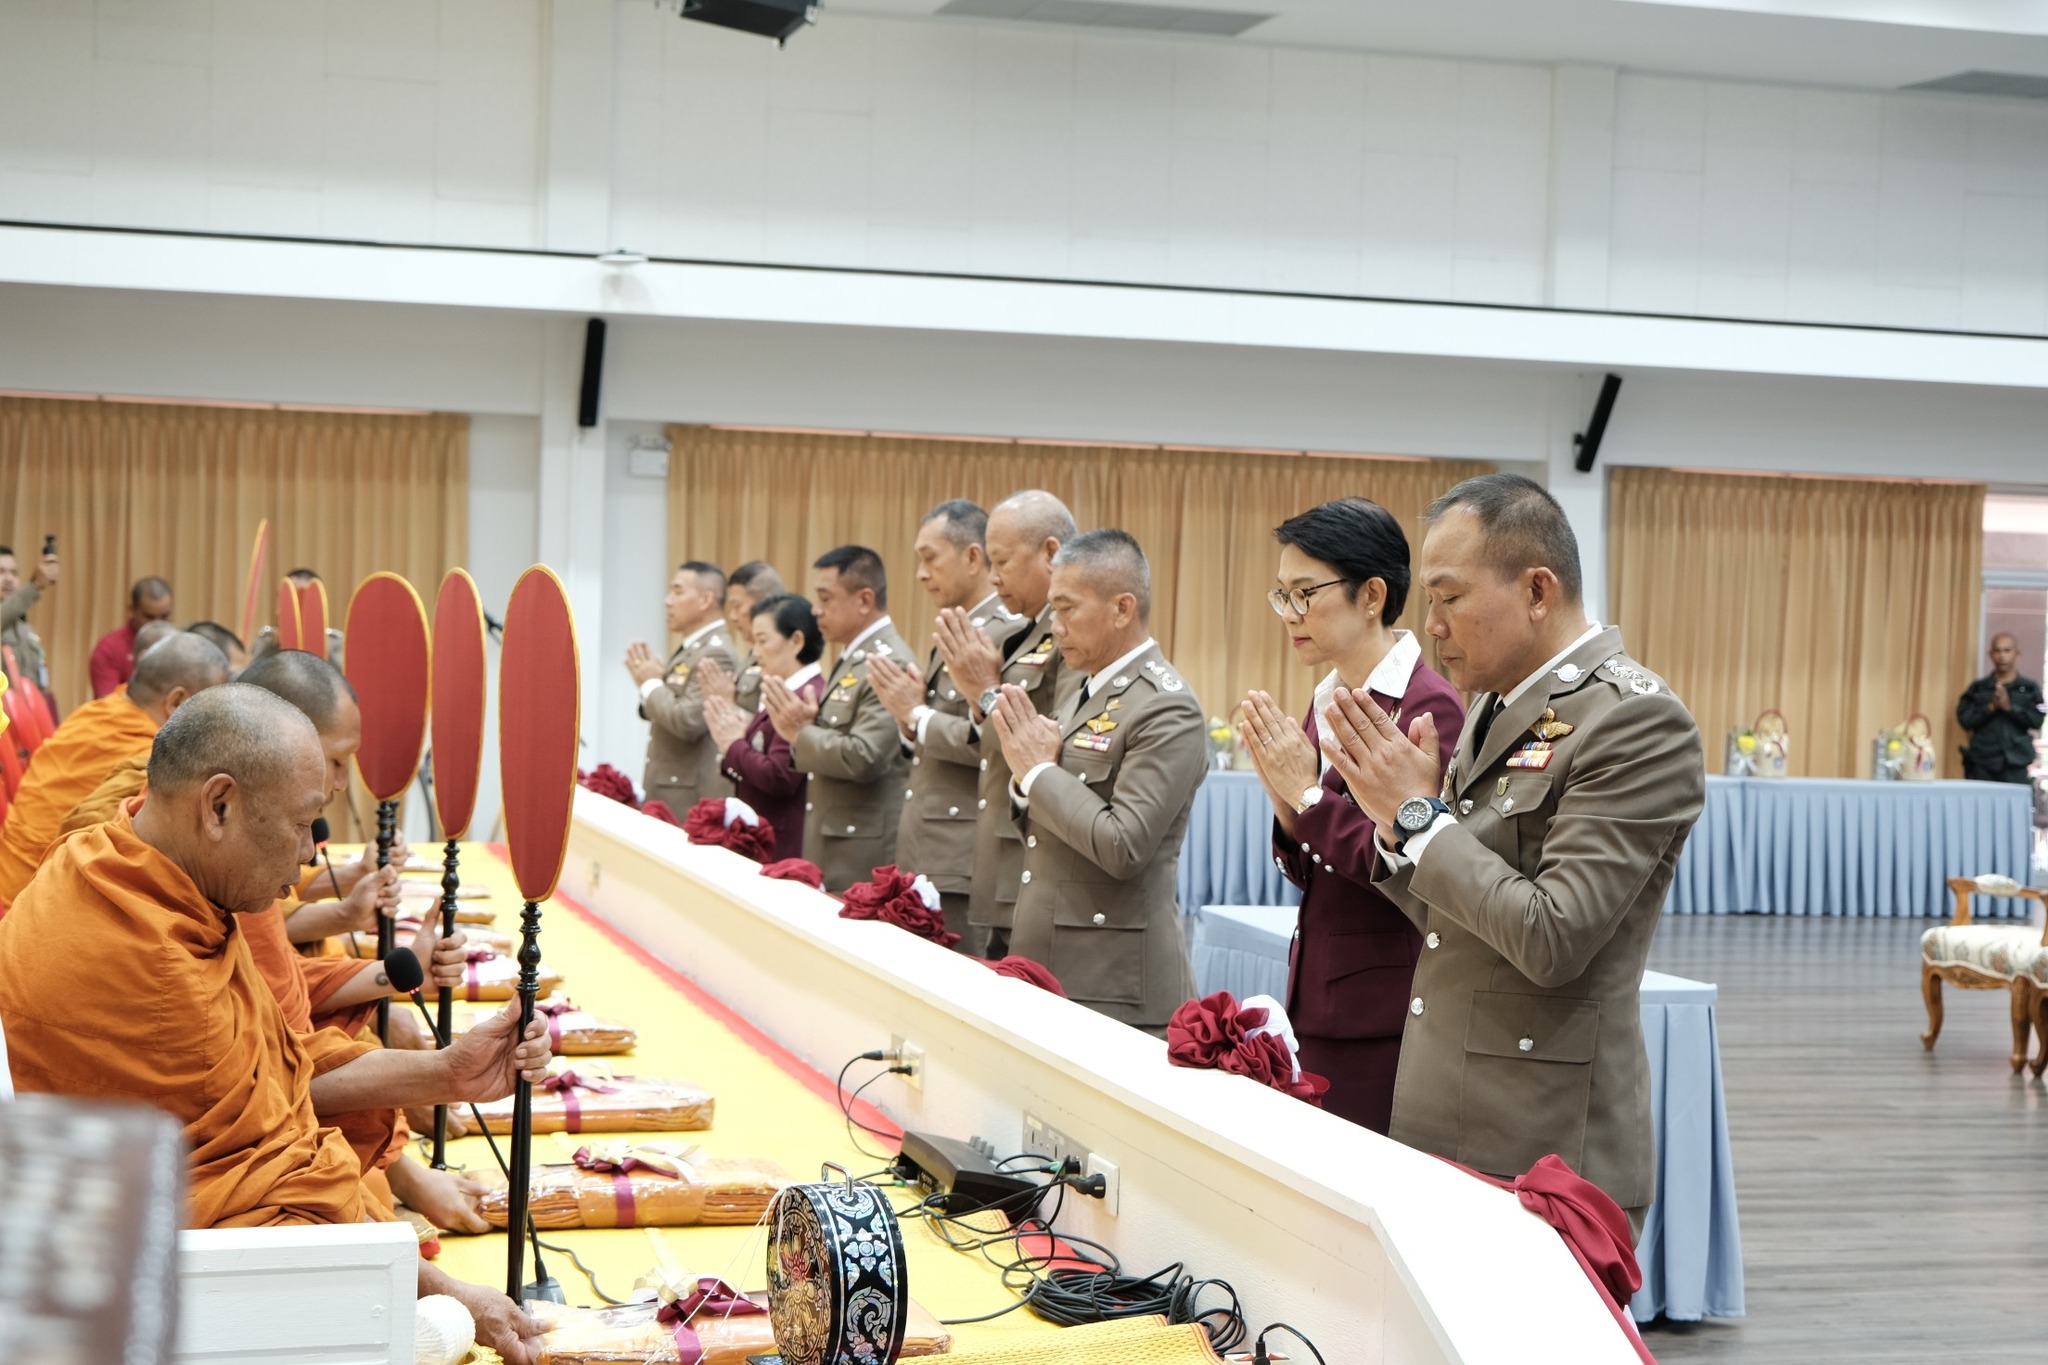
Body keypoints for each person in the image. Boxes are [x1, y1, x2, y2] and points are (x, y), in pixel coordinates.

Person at [0, 684, 551, 1360]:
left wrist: (449, 1072)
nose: (309, 856)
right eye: (303, 823)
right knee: (346, 1222)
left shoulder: (112, 854)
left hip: (111, 1186)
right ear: (219, 806)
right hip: (112, 1261)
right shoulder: (157, 970)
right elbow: (276, 1175)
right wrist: (447, 1294)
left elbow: (279, 1062)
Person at [1321, 472, 1705, 1234]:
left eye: (1449, 597)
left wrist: (1421, 819)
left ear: (1536, 590)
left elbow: (1552, 936)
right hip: (1448, 1116)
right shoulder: (1498, 702)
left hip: (1545, 1148)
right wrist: (1398, 832)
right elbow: (1457, 918)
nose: (1432, 625)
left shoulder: (1633, 721)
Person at [1237, 499, 1465, 1133]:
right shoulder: (1329, 695)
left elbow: (1412, 869)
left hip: (1380, 1012)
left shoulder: (1427, 707)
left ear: (1371, 595)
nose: (1290, 613)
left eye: (1305, 593)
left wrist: (1307, 797)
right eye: (1282, 595)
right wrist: (1287, 804)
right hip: (1320, 993)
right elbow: (1313, 863)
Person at [991, 530, 1207, 1032]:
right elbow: (1048, 824)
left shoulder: (1165, 706)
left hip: (1112, 977)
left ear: (1122, 608)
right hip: (1053, 959)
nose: (1055, 626)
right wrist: (1027, 782)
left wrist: (1038, 772)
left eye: (1067, 609)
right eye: (1053, 609)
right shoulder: (1089, 689)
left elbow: (1123, 846)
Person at [867, 501, 1023, 952]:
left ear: (973, 557)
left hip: (963, 850)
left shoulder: (1003, 632)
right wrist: (908, 721)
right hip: (928, 843)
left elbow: (995, 743)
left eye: (930, 558)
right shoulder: (959, 625)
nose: (920, 573)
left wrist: (917, 716)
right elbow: (937, 732)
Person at [933, 490, 1079, 957]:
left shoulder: (1067, 635)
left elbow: (1050, 740)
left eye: (1002, 561)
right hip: (1003, 849)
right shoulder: (1026, 631)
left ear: (1051, 553)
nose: (993, 577)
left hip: (1034, 851)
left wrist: (983, 690)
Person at [0, 631, 229, 906]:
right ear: (177, 702)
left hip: (10, 869)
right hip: (28, 895)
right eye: (212, 710)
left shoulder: (97, 710)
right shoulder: (151, 760)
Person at [771, 546, 910, 891]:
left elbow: (865, 755)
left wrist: (801, 734)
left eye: (825, 598)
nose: (815, 610)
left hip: (859, 850)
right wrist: (809, 728)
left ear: (864, 600)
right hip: (835, 838)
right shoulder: (854, 656)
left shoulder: (887, 661)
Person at [705, 593, 826, 859]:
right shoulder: (783, 690)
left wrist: (733, 745)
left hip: (781, 840)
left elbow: (779, 776)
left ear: (796, 641)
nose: (755, 652)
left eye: (762, 640)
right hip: (761, 830)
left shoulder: (805, 696)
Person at [626, 562, 739, 812]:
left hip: (686, 796)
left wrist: (651, 684)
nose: (668, 601)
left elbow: (688, 721)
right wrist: (653, 686)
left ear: (706, 600)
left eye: (678, 591)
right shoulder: (695, 647)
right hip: (670, 787)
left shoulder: (716, 653)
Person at [1958, 633, 2043, 785]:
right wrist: (1990, 707)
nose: (2002, 656)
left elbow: (2037, 721)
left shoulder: (2029, 688)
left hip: (2016, 762)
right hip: (1983, 762)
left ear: (2017, 653)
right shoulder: (1978, 688)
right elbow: (1965, 720)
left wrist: (2009, 708)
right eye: (1997, 651)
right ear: (1991, 654)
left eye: (2007, 650)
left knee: (2016, 800)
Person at [89, 576, 174, 697]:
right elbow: (108, 703)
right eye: (149, 617)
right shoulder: (109, 649)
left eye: (164, 616)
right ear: (132, 610)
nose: (157, 624)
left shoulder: (181, 646)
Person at [718, 560, 786, 715]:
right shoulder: (753, 654)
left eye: (737, 606)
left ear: (764, 603)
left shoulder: (782, 655)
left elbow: (771, 724)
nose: (732, 616)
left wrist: (728, 706)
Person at [0, 541, 60, 703]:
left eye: (14, 573)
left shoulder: (25, 629)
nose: (9, 579)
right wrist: (35, 585)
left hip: (27, 712)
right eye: (1, 572)